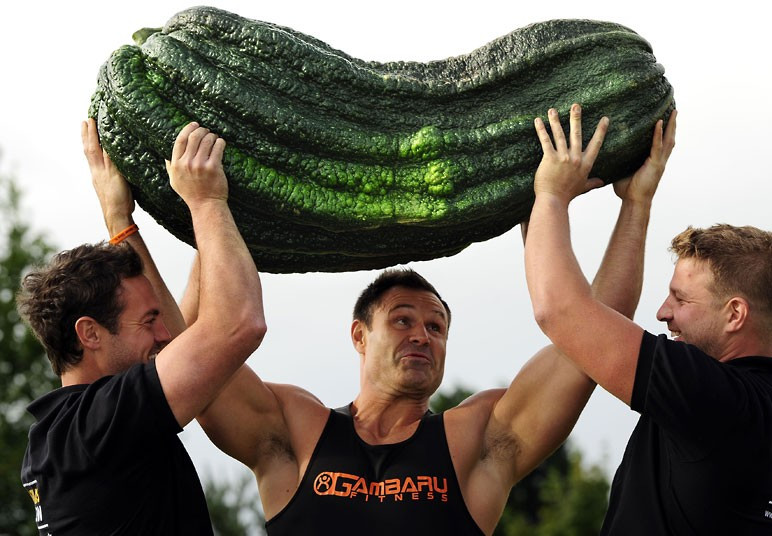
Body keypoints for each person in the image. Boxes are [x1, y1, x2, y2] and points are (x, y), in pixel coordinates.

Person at [166, 117, 675, 535]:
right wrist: (212, 208)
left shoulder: (477, 440)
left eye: (436, 327)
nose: (421, 335)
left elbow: (595, 336)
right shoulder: (295, 430)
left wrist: (634, 203)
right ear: (359, 335)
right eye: (402, 320)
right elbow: (191, 353)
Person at [526, 104, 772, 534]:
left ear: (735, 314)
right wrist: (636, 202)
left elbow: (561, 311)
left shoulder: (713, 396)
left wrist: (551, 195)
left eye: (681, 299)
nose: (662, 313)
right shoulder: (750, 403)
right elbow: (592, 321)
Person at [15, 119, 266, 534]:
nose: (165, 335)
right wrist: (206, 201)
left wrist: (119, 220)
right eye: (148, 322)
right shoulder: (97, 426)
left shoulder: (68, 436)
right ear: (90, 333)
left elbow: (191, 341)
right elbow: (239, 324)